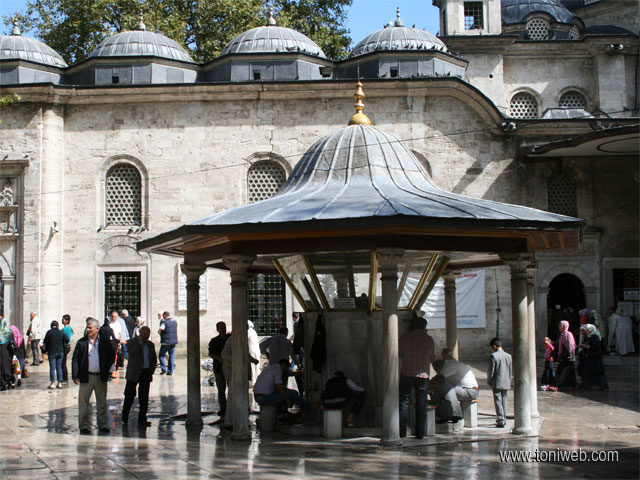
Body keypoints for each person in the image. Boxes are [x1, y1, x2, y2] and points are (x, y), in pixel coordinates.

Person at [72, 317, 116, 434]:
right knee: (83, 403)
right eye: (87, 328)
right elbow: (75, 358)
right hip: (87, 376)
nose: (88, 330)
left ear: (97, 329)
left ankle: (102, 424)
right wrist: (75, 374)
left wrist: (106, 368)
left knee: (101, 402)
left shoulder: (104, 342)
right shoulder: (82, 342)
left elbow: (111, 354)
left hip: (100, 376)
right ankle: (83, 426)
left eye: (90, 328)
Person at [398, 315, 435, 439]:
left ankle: (402, 432)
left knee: (403, 401)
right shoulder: (429, 339)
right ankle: (420, 433)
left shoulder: (405, 337)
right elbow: (432, 359)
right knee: (421, 403)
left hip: (407, 373)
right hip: (423, 376)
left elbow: (400, 354)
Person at [121, 326, 157, 426]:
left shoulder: (150, 345)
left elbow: (153, 357)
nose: (146, 336)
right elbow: (131, 352)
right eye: (144, 334)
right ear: (140, 333)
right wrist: (140, 343)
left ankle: (142, 419)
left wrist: (151, 370)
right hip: (134, 372)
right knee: (129, 395)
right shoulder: (132, 342)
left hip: (145, 372)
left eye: (148, 335)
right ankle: (125, 416)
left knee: (144, 396)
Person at [487, 338, 512, 428]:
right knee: (504, 399)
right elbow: (510, 370)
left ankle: (500, 419)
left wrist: (489, 380)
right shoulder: (508, 356)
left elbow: (491, 371)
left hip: (497, 381)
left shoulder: (494, 356)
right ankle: (504, 418)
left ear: (494, 346)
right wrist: (509, 380)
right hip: (506, 381)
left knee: (497, 399)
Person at [208, 321, 230, 416]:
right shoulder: (214, 341)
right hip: (219, 366)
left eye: (224, 327)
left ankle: (232, 406)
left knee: (232, 387)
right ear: (217, 329)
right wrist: (218, 358)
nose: (223, 329)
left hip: (229, 366)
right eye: (221, 327)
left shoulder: (230, 338)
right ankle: (223, 408)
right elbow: (210, 353)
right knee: (221, 389)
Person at [578, 324, 609, 391]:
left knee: (598, 372)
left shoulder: (594, 337)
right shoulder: (587, 337)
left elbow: (594, 346)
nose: (582, 332)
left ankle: (603, 386)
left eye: (584, 330)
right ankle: (587, 384)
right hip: (590, 357)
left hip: (595, 358)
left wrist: (584, 346)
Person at [42, 320, 69, 389]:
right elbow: (67, 340)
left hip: (52, 352)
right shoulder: (61, 332)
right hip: (60, 352)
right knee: (59, 367)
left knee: (52, 368)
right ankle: (59, 383)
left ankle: (52, 383)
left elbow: (45, 341)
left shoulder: (49, 332)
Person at [556, 320, 577, 389]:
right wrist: (559, 354)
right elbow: (560, 346)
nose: (559, 327)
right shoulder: (562, 335)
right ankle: (562, 383)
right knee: (561, 369)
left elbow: (571, 345)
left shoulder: (568, 334)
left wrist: (571, 356)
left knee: (569, 369)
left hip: (569, 355)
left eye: (560, 325)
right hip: (564, 356)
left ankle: (570, 384)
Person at [158, 311, 178, 375]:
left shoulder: (165, 322)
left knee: (161, 355)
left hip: (166, 342)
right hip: (173, 342)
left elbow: (159, 331)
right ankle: (170, 371)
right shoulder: (174, 322)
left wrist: (161, 335)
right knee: (171, 357)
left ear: (164, 316)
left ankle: (163, 369)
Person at [248, 321, 261, 413]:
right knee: (256, 367)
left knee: (252, 367)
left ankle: (253, 382)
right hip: (255, 351)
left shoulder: (249, 332)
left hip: (252, 351)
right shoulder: (253, 331)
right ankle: (255, 381)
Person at [0, 316, 16, 390]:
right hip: (7, 354)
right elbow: (12, 344)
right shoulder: (9, 333)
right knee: (7, 368)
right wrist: (13, 354)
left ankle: (3, 384)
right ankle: (8, 382)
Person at [61, 314, 73, 385]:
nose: (62, 321)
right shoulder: (70, 328)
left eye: (63, 319)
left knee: (63, 363)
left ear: (67, 321)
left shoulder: (64, 329)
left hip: (65, 346)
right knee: (63, 362)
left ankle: (64, 377)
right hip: (67, 346)